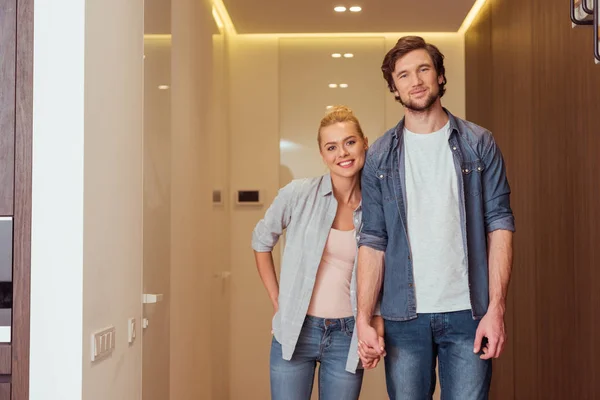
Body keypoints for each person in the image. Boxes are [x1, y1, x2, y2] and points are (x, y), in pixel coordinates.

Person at [356, 36, 515, 400]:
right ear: (394, 88)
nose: (415, 81)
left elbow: (500, 223)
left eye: (424, 69)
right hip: (404, 317)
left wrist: (496, 309)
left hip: (468, 311)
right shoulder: (379, 156)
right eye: (404, 75)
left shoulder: (479, 143)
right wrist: (364, 318)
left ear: (440, 76)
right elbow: (373, 240)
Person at [252, 106, 384, 400]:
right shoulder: (297, 194)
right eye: (332, 147)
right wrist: (278, 301)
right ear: (322, 154)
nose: (343, 153)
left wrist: (376, 324)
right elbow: (261, 241)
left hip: (347, 335)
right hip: (296, 332)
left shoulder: (379, 207)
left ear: (364, 142)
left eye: (350, 142)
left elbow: (385, 271)